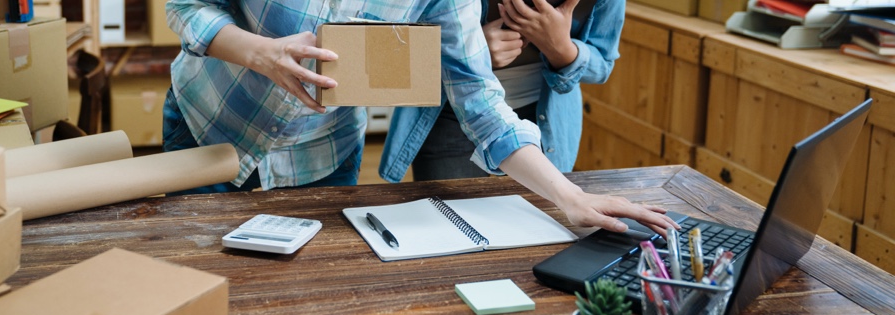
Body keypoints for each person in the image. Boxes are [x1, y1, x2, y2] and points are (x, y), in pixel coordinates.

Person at [162, 0, 678, 235]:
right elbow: (186, 5)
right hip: (210, 126)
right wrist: (259, 52)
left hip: (322, 150)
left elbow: (481, 104)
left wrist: (574, 198)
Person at [382, 0, 623, 181]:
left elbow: (603, 64)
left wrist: (562, 49)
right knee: (448, 226)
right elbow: (391, 53)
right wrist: (471, 53)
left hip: (547, 122)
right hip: (450, 116)